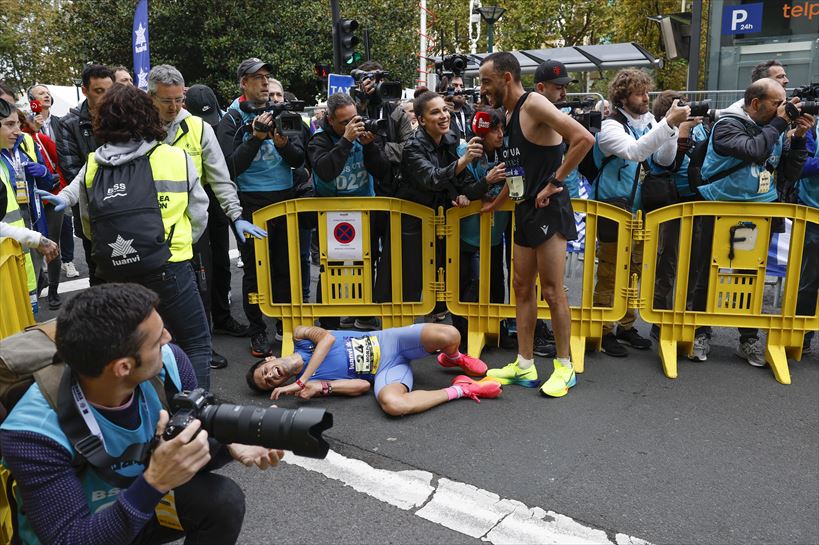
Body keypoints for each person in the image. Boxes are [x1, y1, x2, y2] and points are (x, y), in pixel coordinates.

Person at [0, 283, 283, 545]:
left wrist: (229, 444)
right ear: (123, 367)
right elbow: (71, 538)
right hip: (82, 530)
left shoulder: (171, 363)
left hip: (137, 503)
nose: (169, 339)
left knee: (222, 501)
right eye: (157, 339)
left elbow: (185, 454)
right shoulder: (33, 431)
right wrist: (155, 482)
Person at [39, 83, 214, 390]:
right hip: (169, 266)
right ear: (148, 115)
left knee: (132, 347)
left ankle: (149, 413)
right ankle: (191, 414)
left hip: (116, 271)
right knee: (194, 342)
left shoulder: (93, 163)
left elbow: (88, 223)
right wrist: (179, 244)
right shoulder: (174, 157)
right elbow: (199, 212)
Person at [477, 52, 594, 398]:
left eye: (486, 81)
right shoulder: (510, 114)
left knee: (553, 290)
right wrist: (494, 205)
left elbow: (584, 139)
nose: (482, 88)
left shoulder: (534, 104)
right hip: (525, 209)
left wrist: (555, 182)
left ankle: (564, 367)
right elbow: (518, 172)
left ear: (507, 78)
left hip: (549, 207)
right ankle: (525, 364)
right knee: (521, 286)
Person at [148, 66, 266, 371]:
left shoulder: (199, 129)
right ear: (151, 98)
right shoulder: (139, 129)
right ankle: (156, 351)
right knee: (156, 291)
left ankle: (200, 348)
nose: (173, 107)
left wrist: (236, 215)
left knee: (199, 286)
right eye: (166, 101)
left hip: (191, 226)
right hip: (151, 226)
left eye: (178, 99)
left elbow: (220, 177)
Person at [690, 78, 812, 365]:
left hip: (759, 212)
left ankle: (748, 338)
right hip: (718, 208)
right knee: (707, 271)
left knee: (750, 274)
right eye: (777, 103)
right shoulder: (727, 125)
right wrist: (781, 125)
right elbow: (754, 150)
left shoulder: (776, 130)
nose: (784, 109)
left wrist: (799, 139)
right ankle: (700, 332)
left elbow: (789, 173)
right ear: (756, 103)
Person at [588, 69, 688, 358]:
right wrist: (668, 123)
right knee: (610, 271)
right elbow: (634, 152)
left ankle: (625, 324)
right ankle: (602, 329)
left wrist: (669, 128)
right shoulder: (610, 127)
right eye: (639, 93)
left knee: (633, 270)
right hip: (612, 207)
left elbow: (664, 159)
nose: (646, 98)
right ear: (623, 96)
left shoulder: (649, 122)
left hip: (641, 211)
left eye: (646, 92)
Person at [217, 58, 305, 358]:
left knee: (284, 267)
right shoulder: (231, 118)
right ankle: (257, 329)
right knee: (255, 269)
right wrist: (255, 138)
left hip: (284, 196)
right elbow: (230, 167)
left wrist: (282, 145)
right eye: (258, 78)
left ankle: (285, 323)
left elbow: (298, 159)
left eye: (268, 77)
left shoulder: (281, 111)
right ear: (244, 82)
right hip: (250, 201)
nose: (265, 83)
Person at [246, 323, 501, 415]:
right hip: (387, 369)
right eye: (269, 383)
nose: (270, 377)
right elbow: (363, 386)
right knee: (394, 405)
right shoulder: (308, 382)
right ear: (278, 386)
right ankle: (461, 389)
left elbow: (327, 339)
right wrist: (321, 387)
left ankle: (453, 357)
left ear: (270, 358)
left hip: (388, 340)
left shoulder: (301, 336)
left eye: (264, 372)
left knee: (449, 333)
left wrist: (302, 381)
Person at [398, 90, 483, 320]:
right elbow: (433, 178)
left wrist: (489, 180)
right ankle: (405, 334)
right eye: (435, 112)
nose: (444, 116)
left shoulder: (450, 139)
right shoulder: (412, 147)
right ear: (422, 119)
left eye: (445, 110)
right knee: (413, 278)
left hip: (443, 220)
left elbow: (464, 183)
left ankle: (437, 324)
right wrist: (463, 161)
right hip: (414, 222)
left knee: (443, 275)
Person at [451, 107, 511, 347]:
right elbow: (462, 190)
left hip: (495, 235)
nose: (499, 135)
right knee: (466, 286)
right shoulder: (465, 153)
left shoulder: (507, 153)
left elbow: (518, 186)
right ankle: (463, 338)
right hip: (466, 235)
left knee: (496, 283)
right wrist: (488, 182)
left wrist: (495, 198)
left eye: (502, 129)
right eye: (494, 129)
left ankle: (495, 332)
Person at [56, 64, 115, 286]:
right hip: (90, 212)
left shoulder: (121, 116)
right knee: (99, 273)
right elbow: (72, 169)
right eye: (98, 91)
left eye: (109, 91)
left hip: (125, 209)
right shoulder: (68, 124)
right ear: (85, 90)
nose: (104, 97)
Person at [1, 102, 56, 311]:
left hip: (31, 222)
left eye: (18, 123)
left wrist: (42, 173)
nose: (17, 130)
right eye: (10, 124)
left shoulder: (26, 143)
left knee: (33, 282)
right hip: (10, 235)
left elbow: (49, 181)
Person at [19, 109, 67, 309]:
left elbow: (61, 162)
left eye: (16, 123)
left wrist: (58, 189)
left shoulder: (37, 139)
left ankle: (53, 290)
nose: (14, 129)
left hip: (48, 202)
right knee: (30, 251)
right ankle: (39, 282)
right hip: (23, 206)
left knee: (51, 245)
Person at [794, 109, 818, 355]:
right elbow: (802, 166)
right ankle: (800, 338)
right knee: (808, 281)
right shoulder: (812, 125)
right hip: (813, 214)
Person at [445, 74, 475, 141]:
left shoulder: (471, 114)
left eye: (461, 86)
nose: (459, 89)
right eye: (454, 85)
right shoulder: (442, 115)